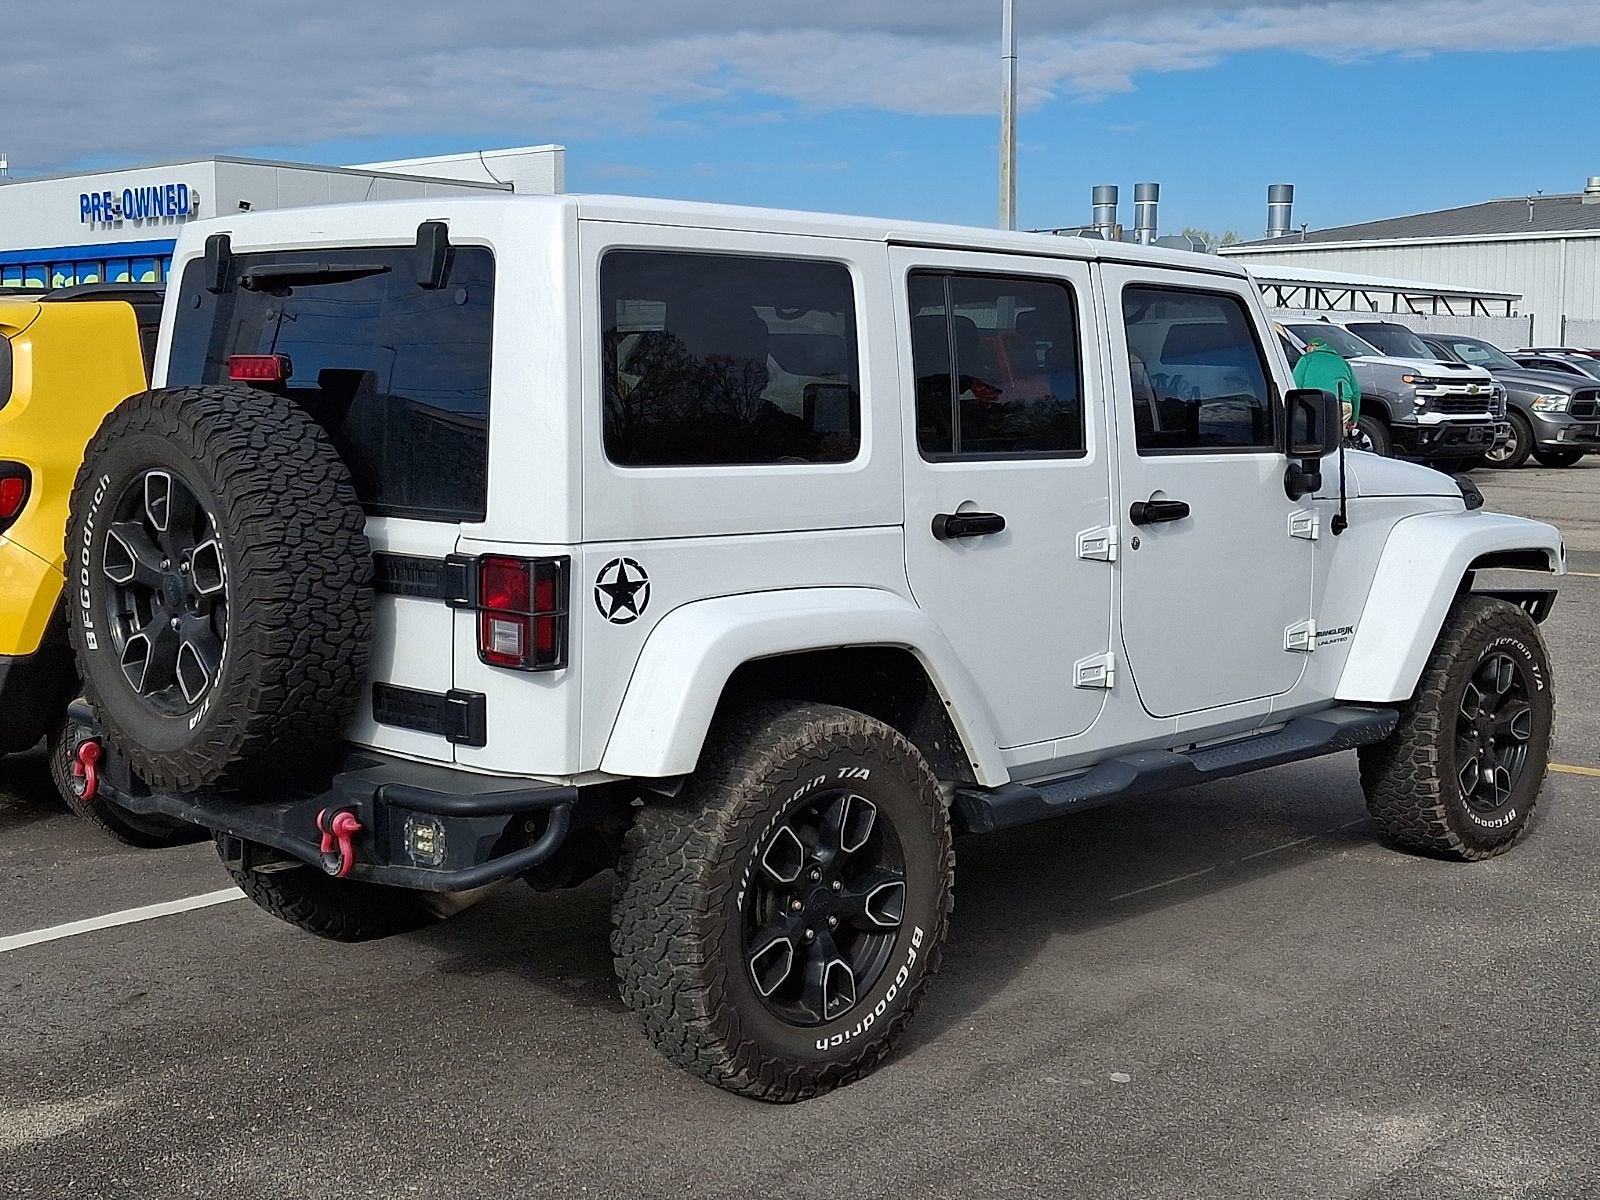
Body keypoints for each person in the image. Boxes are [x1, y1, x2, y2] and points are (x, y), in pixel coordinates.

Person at [1291, 334, 1361, 433]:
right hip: (1343, 403)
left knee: (1315, 435)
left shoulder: (1307, 359)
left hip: (1315, 401)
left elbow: (1296, 383)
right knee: (1335, 437)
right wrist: (1354, 419)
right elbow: (1356, 392)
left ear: (1312, 347)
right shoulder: (1342, 362)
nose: (1306, 351)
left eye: (1307, 348)